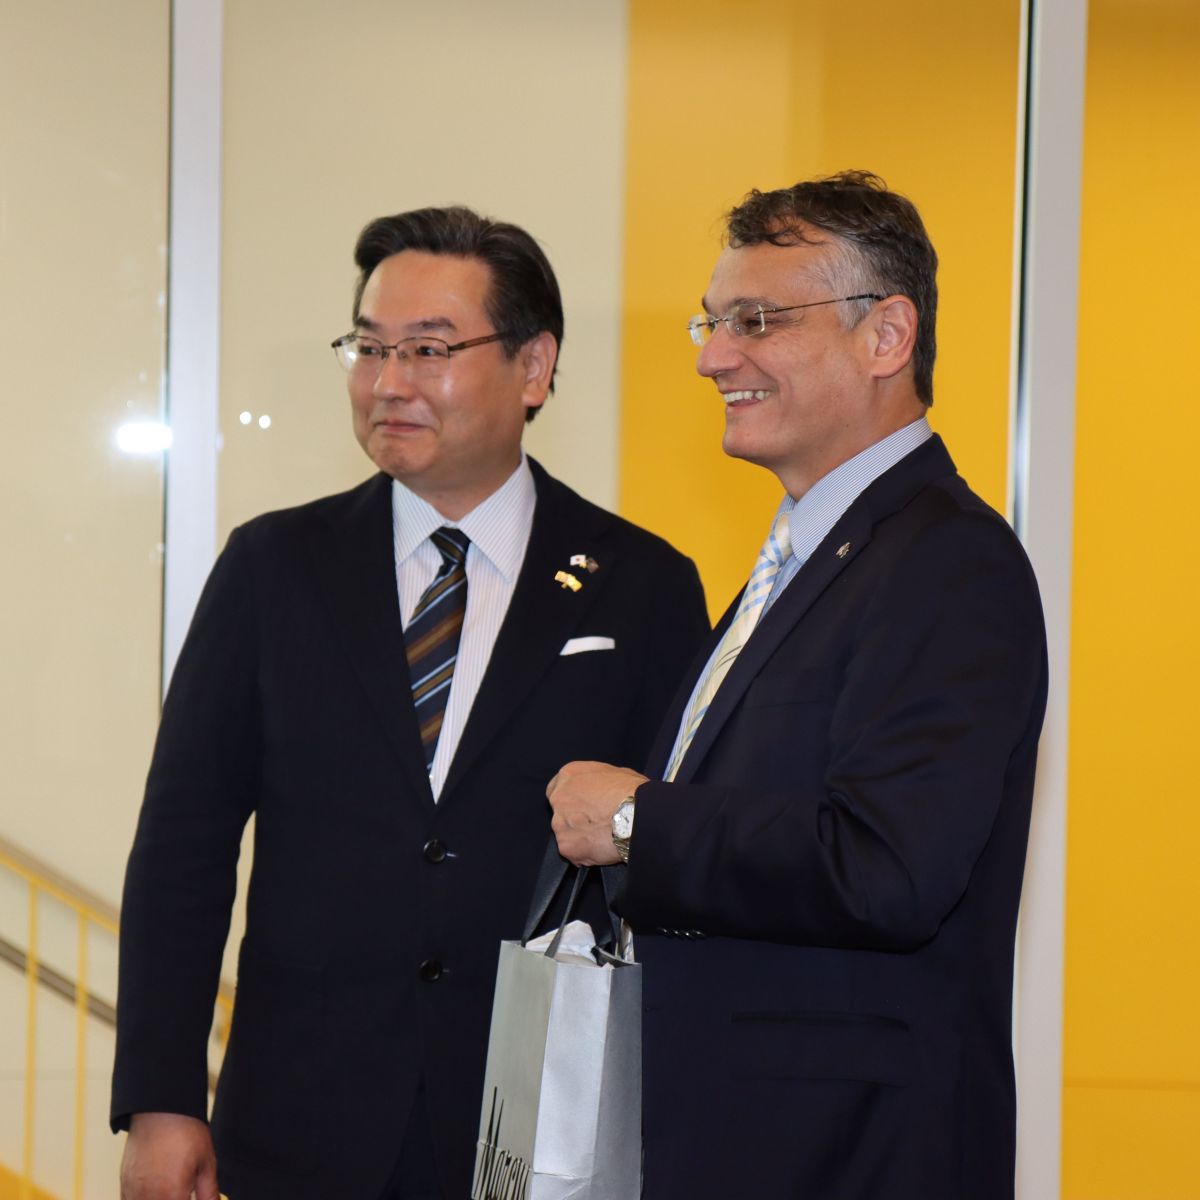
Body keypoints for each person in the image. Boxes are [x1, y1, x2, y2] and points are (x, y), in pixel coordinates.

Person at [111, 205, 708, 1200]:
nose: (388, 383)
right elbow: (183, 846)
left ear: (533, 366)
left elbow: (683, 859)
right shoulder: (273, 567)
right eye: (369, 347)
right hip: (299, 1124)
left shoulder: (640, 586)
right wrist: (162, 1101)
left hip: (538, 1123)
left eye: (429, 349)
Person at [548, 171, 1048, 1200]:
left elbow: (889, 865)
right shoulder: (812, 559)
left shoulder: (951, 563)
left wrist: (641, 823)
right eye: (713, 320)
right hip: (739, 1141)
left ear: (886, 336)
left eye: (758, 320)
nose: (712, 355)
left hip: (845, 1155)